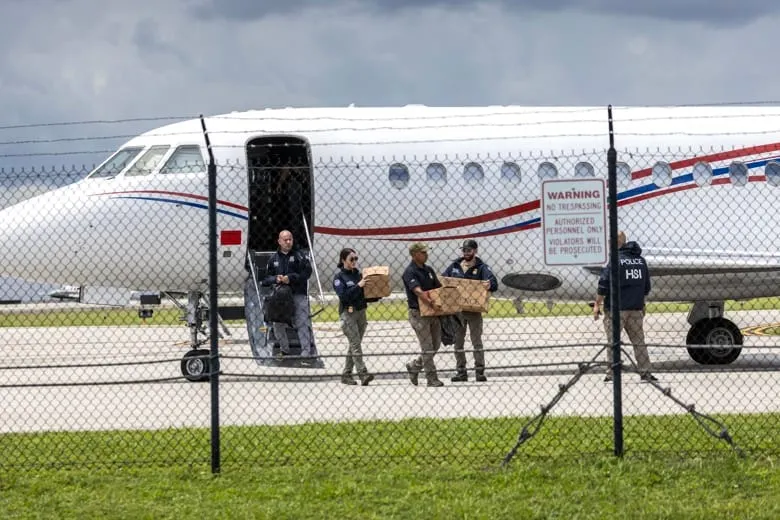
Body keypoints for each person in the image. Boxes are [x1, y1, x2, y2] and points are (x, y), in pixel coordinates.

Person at [593, 231, 657, 382]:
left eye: (610, 242)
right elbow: (646, 286)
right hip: (635, 308)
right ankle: (645, 372)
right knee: (639, 342)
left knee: (612, 342)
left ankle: (612, 373)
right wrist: (642, 304)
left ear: (616, 243)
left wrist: (597, 304)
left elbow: (603, 285)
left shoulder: (615, 261)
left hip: (616, 309)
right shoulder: (640, 261)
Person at [442, 239, 498, 382]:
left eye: (469, 250)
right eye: (464, 250)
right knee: (458, 342)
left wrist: (488, 284)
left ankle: (479, 371)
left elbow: (494, 283)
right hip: (458, 311)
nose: (466, 253)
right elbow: (443, 279)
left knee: (476, 341)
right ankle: (461, 372)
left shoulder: (481, 267)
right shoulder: (454, 266)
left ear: (475, 251)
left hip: (474, 311)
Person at [262, 230, 315, 364]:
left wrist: (290, 278)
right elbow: (265, 279)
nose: (288, 242)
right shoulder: (273, 259)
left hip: (298, 294)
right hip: (280, 298)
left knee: (302, 323)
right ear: (279, 241)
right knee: (277, 324)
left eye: (290, 239)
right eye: (285, 239)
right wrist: (276, 278)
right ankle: (285, 349)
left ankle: (306, 353)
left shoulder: (300, 256)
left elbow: (307, 274)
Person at [402, 242, 445, 387]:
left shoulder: (429, 270)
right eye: (423, 252)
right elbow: (418, 291)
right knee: (427, 347)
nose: (427, 255)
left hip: (432, 312)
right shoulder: (410, 272)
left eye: (426, 252)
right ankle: (431, 378)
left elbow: (438, 288)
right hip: (418, 313)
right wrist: (431, 302)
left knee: (436, 344)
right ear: (415, 255)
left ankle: (414, 366)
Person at [333, 248, 375, 386]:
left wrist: (377, 294)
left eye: (356, 258)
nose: (354, 262)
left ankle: (346, 374)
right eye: (351, 259)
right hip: (348, 314)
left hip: (361, 312)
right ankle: (363, 373)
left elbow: (364, 295)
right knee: (356, 344)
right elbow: (344, 296)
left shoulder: (359, 275)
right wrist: (358, 286)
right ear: (343, 260)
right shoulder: (339, 278)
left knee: (354, 345)